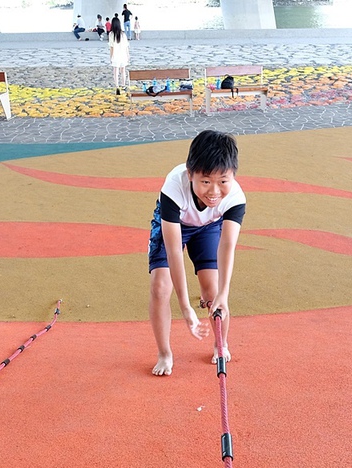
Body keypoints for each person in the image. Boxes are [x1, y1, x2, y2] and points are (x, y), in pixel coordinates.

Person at [148, 130, 246, 377]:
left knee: (212, 291)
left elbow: (227, 245)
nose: (214, 191)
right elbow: (174, 251)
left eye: (223, 181)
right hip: (176, 224)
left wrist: (223, 294)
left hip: (209, 227)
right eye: (205, 181)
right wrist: (184, 306)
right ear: (190, 174)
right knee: (160, 287)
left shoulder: (234, 197)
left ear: (232, 176)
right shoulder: (173, 187)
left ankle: (219, 343)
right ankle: (164, 353)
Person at [109, 17, 130, 95]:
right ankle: (123, 85)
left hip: (116, 55)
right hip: (123, 54)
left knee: (115, 71)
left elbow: (111, 47)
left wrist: (111, 56)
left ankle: (117, 86)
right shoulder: (123, 34)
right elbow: (126, 46)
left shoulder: (111, 34)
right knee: (123, 71)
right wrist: (128, 55)